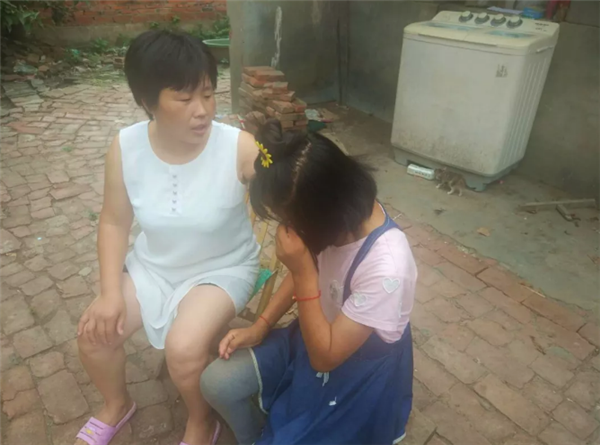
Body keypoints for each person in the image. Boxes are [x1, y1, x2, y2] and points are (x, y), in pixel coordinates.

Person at [74, 30, 260, 445]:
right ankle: (116, 404)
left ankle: (200, 421)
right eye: (184, 98)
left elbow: (282, 181)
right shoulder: (126, 147)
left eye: (208, 94)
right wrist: (109, 293)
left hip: (222, 268)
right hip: (154, 266)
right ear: (148, 101)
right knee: (94, 336)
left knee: (184, 348)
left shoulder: (238, 146)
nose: (202, 111)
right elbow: (114, 222)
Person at [201, 119, 417, 445]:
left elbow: (326, 357)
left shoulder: (387, 269)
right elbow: (310, 270)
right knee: (216, 383)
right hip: (313, 336)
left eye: (289, 220)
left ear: (322, 212)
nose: (286, 228)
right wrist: (261, 326)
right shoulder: (337, 215)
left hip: (355, 369)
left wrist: (302, 270)